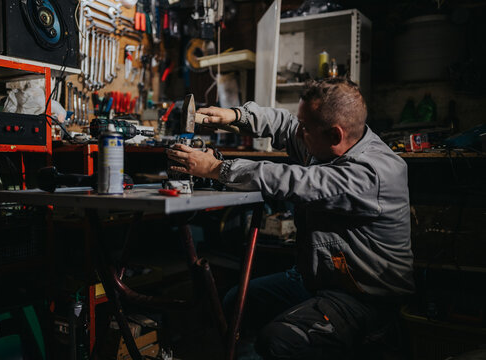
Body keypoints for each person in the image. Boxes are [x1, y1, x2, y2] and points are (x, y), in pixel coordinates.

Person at [166, 78, 415, 359]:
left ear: (335, 135)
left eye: (305, 128)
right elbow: (284, 123)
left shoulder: (375, 172)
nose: (299, 132)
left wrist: (217, 168)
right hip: (319, 278)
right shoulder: (324, 142)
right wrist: (234, 116)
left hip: (365, 298)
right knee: (237, 302)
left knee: (280, 342)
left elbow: (297, 180)